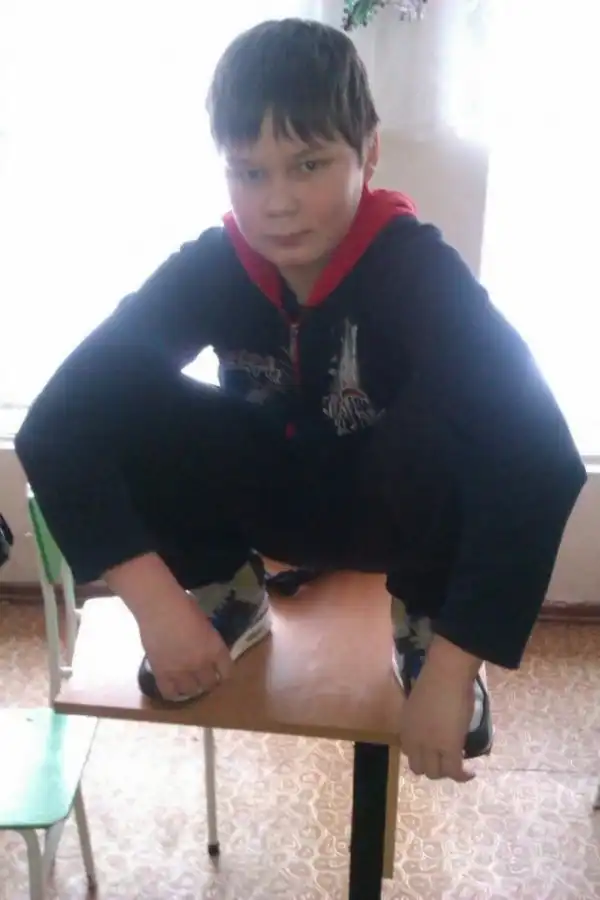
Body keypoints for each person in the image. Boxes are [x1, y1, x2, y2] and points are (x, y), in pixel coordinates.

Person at [15, 18, 586, 783]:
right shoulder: (212, 265)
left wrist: (455, 668)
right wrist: (156, 605)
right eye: (249, 172)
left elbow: (541, 460)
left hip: (393, 517)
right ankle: (228, 590)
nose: (277, 204)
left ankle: (422, 626)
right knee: (120, 396)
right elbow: (56, 425)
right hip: (270, 500)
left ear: (368, 153)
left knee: (469, 415)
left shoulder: (418, 272)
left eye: (308, 164)